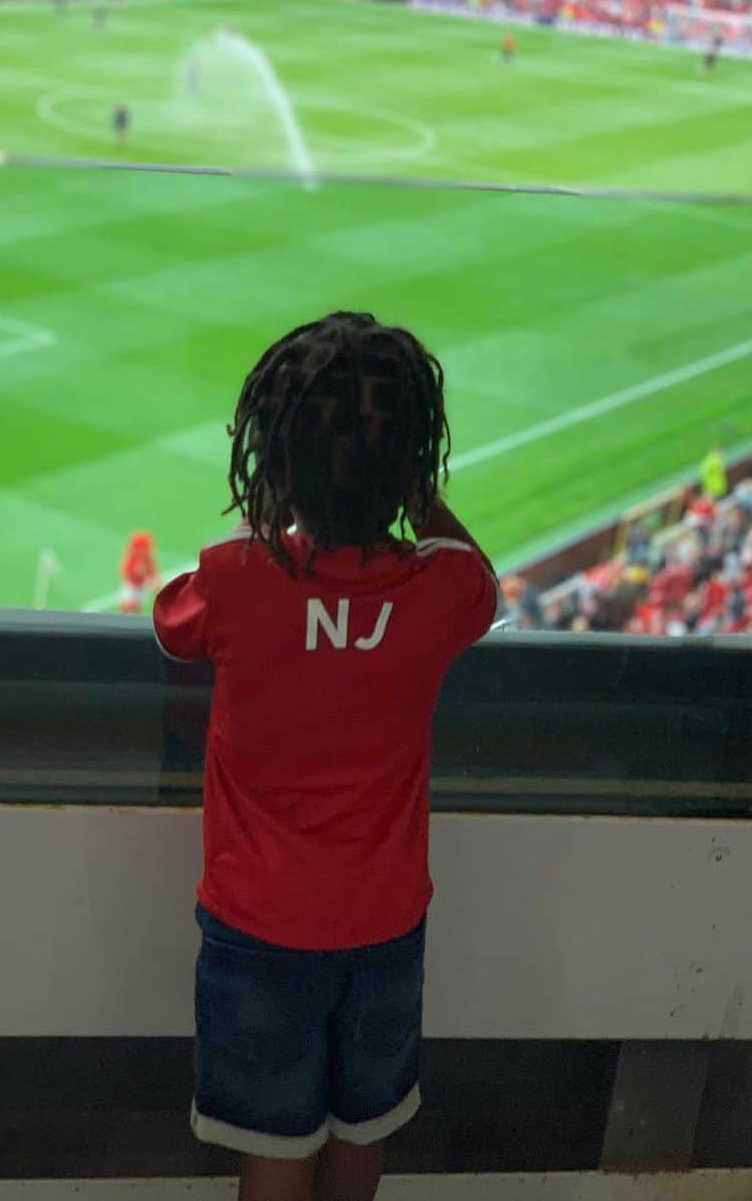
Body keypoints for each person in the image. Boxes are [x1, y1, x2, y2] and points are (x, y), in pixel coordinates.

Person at [153, 312, 497, 1201]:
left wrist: (274, 510)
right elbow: (481, 580)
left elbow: (171, 623)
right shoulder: (444, 592)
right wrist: (415, 494)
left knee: (274, 1143)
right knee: (363, 1128)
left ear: (275, 467)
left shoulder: (232, 581)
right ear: (413, 469)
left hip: (259, 928)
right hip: (386, 925)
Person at [118, 531, 160, 614]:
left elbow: (152, 571)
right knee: (127, 605)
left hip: (141, 587)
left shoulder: (148, 559)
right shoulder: (131, 559)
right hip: (131, 587)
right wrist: (137, 573)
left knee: (137, 606)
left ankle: (134, 616)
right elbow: (126, 572)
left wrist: (154, 581)